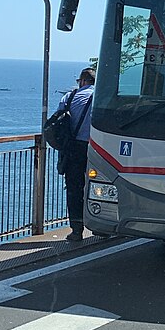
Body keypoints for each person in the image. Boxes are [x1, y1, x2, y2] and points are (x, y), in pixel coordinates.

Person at [57, 67, 95, 241]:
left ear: (82, 81)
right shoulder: (102, 96)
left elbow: (58, 120)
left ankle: (76, 229)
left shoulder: (69, 97)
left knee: (74, 188)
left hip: (74, 149)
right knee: (98, 186)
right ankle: (101, 226)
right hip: (98, 149)